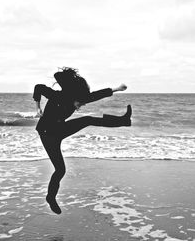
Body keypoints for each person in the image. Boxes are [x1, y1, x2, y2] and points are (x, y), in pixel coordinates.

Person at [33, 67, 132, 214]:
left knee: (88, 120)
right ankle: (51, 198)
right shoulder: (58, 96)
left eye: (82, 103)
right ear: (73, 95)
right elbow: (39, 87)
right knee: (60, 170)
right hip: (47, 133)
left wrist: (117, 88)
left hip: (60, 129)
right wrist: (38, 108)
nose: (81, 105)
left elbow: (97, 95)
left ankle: (123, 120)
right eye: (80, 103)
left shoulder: (79, 98)